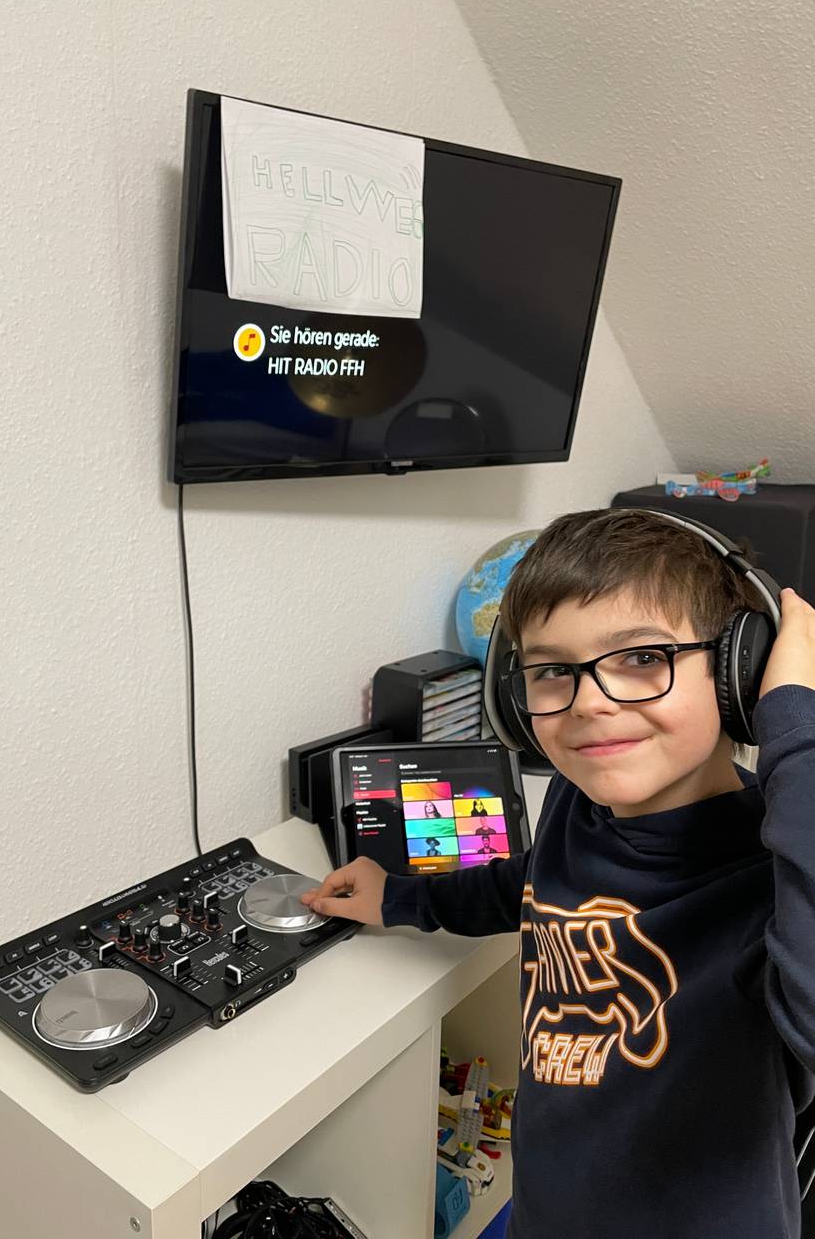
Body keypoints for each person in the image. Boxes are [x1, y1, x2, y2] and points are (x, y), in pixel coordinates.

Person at [301, 508, 815, 1239]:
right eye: (551, 672)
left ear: (742, 671)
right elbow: (531, 887)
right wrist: (400, 898)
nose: (590, 703)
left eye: (643, 657)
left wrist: (797, 726)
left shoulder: (776, 870)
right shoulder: (580, 799)